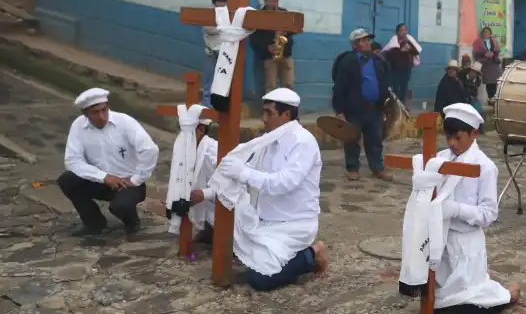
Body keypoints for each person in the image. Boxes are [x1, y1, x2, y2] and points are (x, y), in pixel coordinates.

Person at [400, 103, 520, 314]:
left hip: (465, 243)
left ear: (474, 134)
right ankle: (481, 282)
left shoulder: (484, 167)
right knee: (433, 301)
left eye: (458, 137)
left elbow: (488, 214)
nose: (452, 143)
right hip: (440, 243)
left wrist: (455, 209)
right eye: (448, 137)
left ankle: (506, 295)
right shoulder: (439, 159)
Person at [209, 88, 328, 291]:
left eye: (269, 113)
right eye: (263, 112)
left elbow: (284, 183)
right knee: (229, 246)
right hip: (265, 222)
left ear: (286, 115)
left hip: (293, 225)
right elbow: (250, 175)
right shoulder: (268, 140)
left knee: (260, 279)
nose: (263, 119)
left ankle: (312, 253)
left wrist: (243, 172)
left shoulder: (303, 142)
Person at [58, 88, 160, 237]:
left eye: (104, 110)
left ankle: (132, 222)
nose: (101, 116)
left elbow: (149, 150)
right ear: (85, 114)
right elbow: (72, 160)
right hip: (100, 180)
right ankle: (95, 224)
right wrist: (104, 177)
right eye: (95, 112)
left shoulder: (124, 122)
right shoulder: (78, 126)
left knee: (120, 206)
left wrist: (136, 179)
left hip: (127, 183)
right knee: (67, 180)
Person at [333, 28, 392, 181]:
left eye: (367, 40)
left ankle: (377, 168)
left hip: (374, 109)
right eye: (363, 40)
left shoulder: (378, 60)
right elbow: (339, 87)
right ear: (354, 45)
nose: (367, 43)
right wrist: (339, 110)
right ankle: (352, 168)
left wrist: (385, 104)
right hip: (354, 109)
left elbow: (384, 81)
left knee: (375, 140)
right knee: (352, 139)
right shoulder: (347, 62)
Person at [165, 116, 218, 245]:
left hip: (222, 201)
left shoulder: (213, 151)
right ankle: (207, 231)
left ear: (201, 130)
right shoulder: (185, 149)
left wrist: (206, 193)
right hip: (202, 201)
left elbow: (232, 184)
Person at [248, 0, 295, 93]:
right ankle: (270, 108)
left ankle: (286, 107)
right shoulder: (260, 16)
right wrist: (267, 48)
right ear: (266, 2)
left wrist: (286, 32)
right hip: (269, 56)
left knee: (288, 85)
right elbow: (253, 40)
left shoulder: (284, 13)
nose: (275, 4)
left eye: (277, 1)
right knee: (271, 87)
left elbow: (293, 31)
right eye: (272, 1)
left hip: (285, 55)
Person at [383, 23, 422, 106]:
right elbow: (388, 53)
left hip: (406, 69)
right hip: (395, 70)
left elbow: (416, 51)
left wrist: (408, 50)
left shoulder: (409, 41)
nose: (404, 32)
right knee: (395, 89)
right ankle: (394, 107)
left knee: (404, 88)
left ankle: (402, 106)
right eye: (401, 30)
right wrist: (400, 51)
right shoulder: (393, 42)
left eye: (405, 30)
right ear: (397, 32)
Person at [201, 0, 227, 106]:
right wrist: (224, 28)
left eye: (223, 1)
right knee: (209, 82)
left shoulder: (227, 12)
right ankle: (207, 108)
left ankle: (219, 108)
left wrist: (222, 28)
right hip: (211, 52)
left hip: (223, 52)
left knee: (221, 82)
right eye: (219, 1)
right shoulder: (208, 12)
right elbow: (209, 29)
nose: (221, 3)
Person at [473, 27, 503, 100]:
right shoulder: (478, 42)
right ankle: (490, 98)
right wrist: (485, 54)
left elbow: (498, 50)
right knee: (489, 83)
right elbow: (476, 52)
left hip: (494, 64)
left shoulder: (494, 41)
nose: (486, 33)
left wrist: (493, 54)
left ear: (490, 34)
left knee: (497, 82)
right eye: (484, 32)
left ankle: (495, 99)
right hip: (486, 64)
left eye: (487, 32)